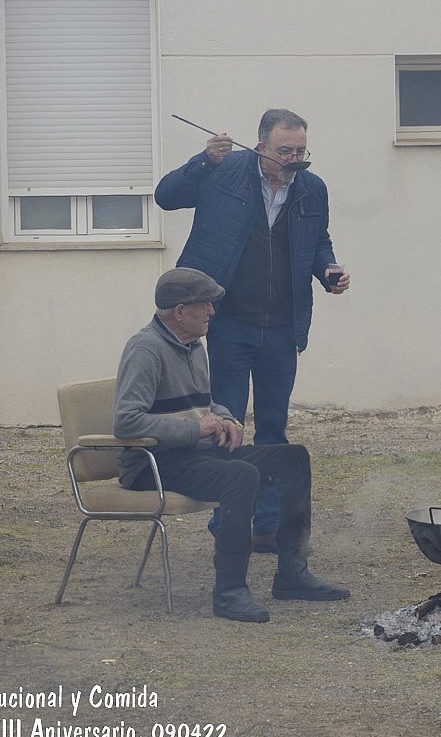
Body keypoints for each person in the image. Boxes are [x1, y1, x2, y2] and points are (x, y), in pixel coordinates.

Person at [154, 108, 349, 554]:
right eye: (285, 151)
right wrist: (203, 160)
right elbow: (166, 196)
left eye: (301, 151)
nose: (294, 160)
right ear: (260, 147)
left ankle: (269, 526)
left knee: (274, 429)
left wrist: (328, 271)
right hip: (229, 322)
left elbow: (318, 241)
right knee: (227, 426)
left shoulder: (312, 187)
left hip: (283, 326)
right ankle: (229, 525)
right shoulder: (223, 169)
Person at [113, 267, 350, 623]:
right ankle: (229, 592)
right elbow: (126, 421)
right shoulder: (146, 349)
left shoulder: (193, 346)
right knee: (241, 475)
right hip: (154, 464)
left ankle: (292, 573)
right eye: (205, 304)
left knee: (293, 459)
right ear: (180, 311)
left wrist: (225, 418)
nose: (212, 310)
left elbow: (205, 404)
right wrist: (196, 429)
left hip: (193, 454)